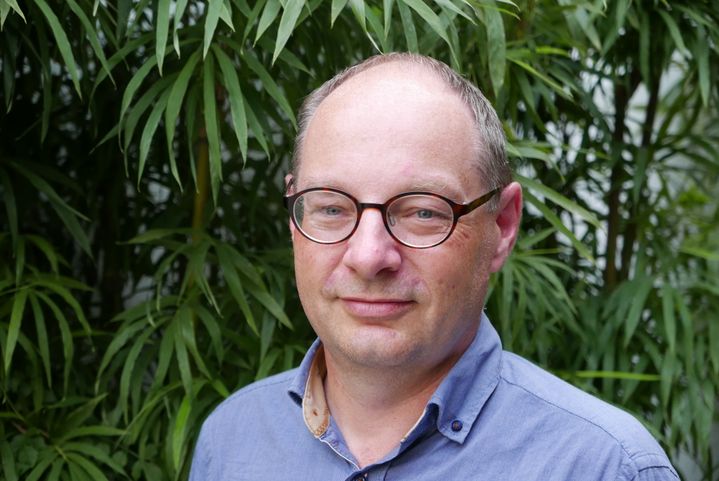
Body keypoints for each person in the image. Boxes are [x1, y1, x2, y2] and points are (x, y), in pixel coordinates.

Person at [189, 53, 678, 481]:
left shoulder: (603, 467)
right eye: (332, 208)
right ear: (295, 217)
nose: (368, 256)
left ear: (502, 226)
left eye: (423, 211)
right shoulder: (232, 441)